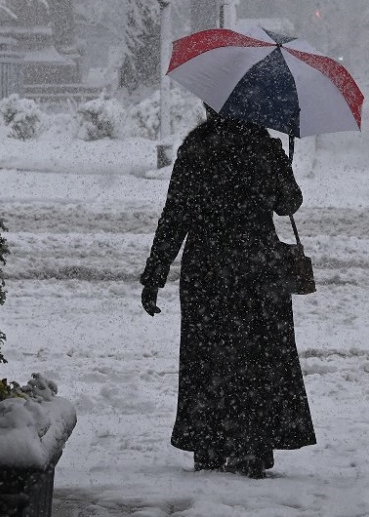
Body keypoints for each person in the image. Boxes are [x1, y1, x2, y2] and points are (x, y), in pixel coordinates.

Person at [139, 105, 317, 479]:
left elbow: (175, 215)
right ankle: (251, 446)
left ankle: (209, 443)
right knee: (257, 358)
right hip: (257, 267)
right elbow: (290, 204)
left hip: (207, 269)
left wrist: (155, 274)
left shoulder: (197, 148)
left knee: (208, 357)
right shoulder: (263, 147)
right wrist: (282, 161)